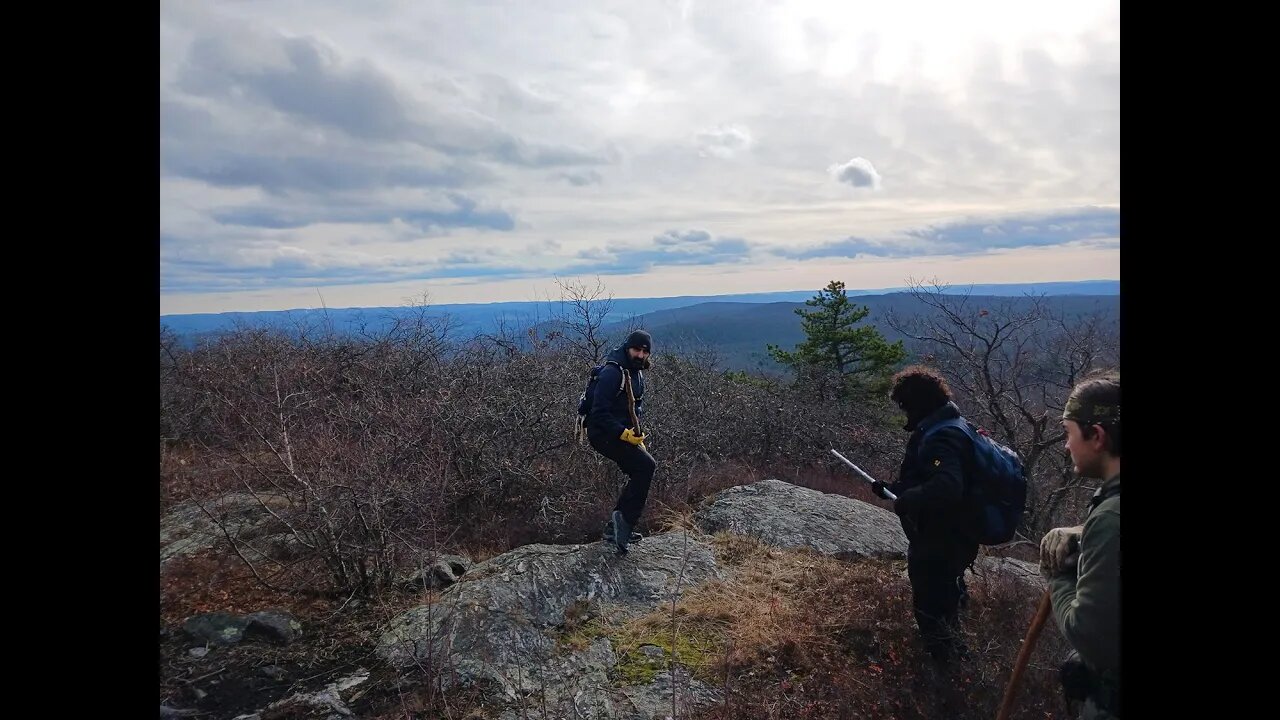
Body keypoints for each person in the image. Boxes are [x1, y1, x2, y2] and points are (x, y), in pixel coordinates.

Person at [871, 365, 979, 665]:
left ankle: (949, 675)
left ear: (917, 403)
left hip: (940, 538)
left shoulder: (941, 436)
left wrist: (909, 498)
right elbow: (932, 478)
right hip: (955, 535)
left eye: (905, 406)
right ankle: (957, 662)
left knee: (932, 608)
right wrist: (894, 489)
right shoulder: (952, 424)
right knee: (948, 594)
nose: (904, 413)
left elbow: (947, 486)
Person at [1040, 372, 1120, 718]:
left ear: (1097, 436)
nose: (1066, 445)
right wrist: (1082, 531)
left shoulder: (1110, 519)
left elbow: (1091, 637)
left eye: (1068, 433)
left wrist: (1056, 574)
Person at [587, 330, 656, 554]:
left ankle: (615, 527)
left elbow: (631, 409)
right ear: (628, 348)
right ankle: (623, 522)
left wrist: (636, 435)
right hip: (602, 434)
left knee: (642, 468)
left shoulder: (636, 373)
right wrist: (623, 434)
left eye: (645, 351)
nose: (640, 354)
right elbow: (598, 414)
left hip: (616, 432)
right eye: (637, 349)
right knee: (646, 467)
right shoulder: (612, 373)